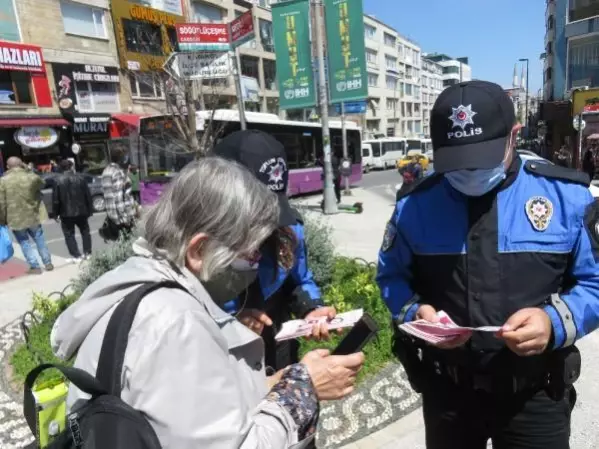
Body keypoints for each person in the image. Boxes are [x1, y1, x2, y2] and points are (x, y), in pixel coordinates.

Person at [50, 157, 364, 449]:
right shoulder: (174, 323)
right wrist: (301, 391)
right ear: (199, 250)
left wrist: (274, 383)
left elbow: (189, 415)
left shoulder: (134, 281)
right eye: (250, 253)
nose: (255, 265)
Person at [377, 80, 598, 449]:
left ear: (515, 135)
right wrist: (415, 313)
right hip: (449, 395)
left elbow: (594, 283)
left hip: (535, 396)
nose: (470, 172)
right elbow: (391, 277)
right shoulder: (414, 207)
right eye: (458, 160)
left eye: (483, 155)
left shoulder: (567, 198)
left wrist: (553, 322)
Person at [213, 130, 334, 371]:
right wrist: (231, 323)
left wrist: (311, 308)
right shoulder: (195, 248)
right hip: (226, 363)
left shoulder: (288, 229)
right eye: (257, 213)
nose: (266, 225)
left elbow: (299, 280)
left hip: (279, 348)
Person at [0, 157, 53, 274]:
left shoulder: (3, 181)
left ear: (8, 167)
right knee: (40, 239)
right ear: (21, 165)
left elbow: (1, 203)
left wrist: (3, 220)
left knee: (24, 242)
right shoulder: (30, 177)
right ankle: (47, 262)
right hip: (33, 215)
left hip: (15, 218)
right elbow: (42, 183)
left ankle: (35, 266)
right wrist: (28, 170)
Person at [52, 160, 93, 262]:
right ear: (71, 167)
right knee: (85, 232)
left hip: (65, 213)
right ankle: (87, 253)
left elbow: (56, 200)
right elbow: (87, 195)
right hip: (82, 211)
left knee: (69, 234)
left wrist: (55, 214)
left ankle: (76, 255)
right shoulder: (80, 178)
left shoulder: (57, 180)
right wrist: (90, 210)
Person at [101, 148, 136, 236]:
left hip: (112, 214)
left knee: (119, 242)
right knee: (128, 243)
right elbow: (119, 196)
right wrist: (125, 218)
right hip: (121, 217)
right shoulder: (117, 172)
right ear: (121, 157)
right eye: (125, 156)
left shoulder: (106, 170)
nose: (126, 158)